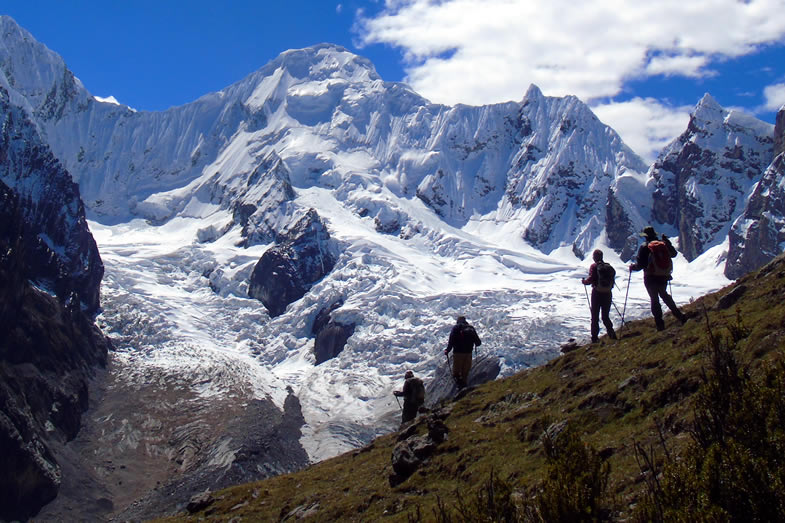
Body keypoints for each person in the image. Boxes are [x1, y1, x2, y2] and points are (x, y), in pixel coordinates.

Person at [629, 226, 687, 331]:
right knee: (664, 295)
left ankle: (660, 325)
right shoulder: (662, 244)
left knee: (654, 300)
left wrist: (633, 267)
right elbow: (674, 254)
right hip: (663, 276)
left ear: (646, 236)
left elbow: (640, 265)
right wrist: (667, 242)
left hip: (650, 277)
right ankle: (680, 316)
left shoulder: (644, 247)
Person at [582, 249, 617, 343]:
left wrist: (584, 282)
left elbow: (591, 279)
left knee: (595, 316)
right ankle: (612, 334)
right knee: (605, 316)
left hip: (597, 293)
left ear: (594, 257)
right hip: (608, 293)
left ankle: (594, 338)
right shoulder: (608, 267)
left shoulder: (594, 266)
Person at [444, 316, 482, 389]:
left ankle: (459, 388)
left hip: (458, 353)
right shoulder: (471, 328)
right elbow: (478, 342)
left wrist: (447, 350)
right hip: (468, 354)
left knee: (456, 373)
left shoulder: (456, 328)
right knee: (465, 373)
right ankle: (464, 389)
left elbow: (451, 340)